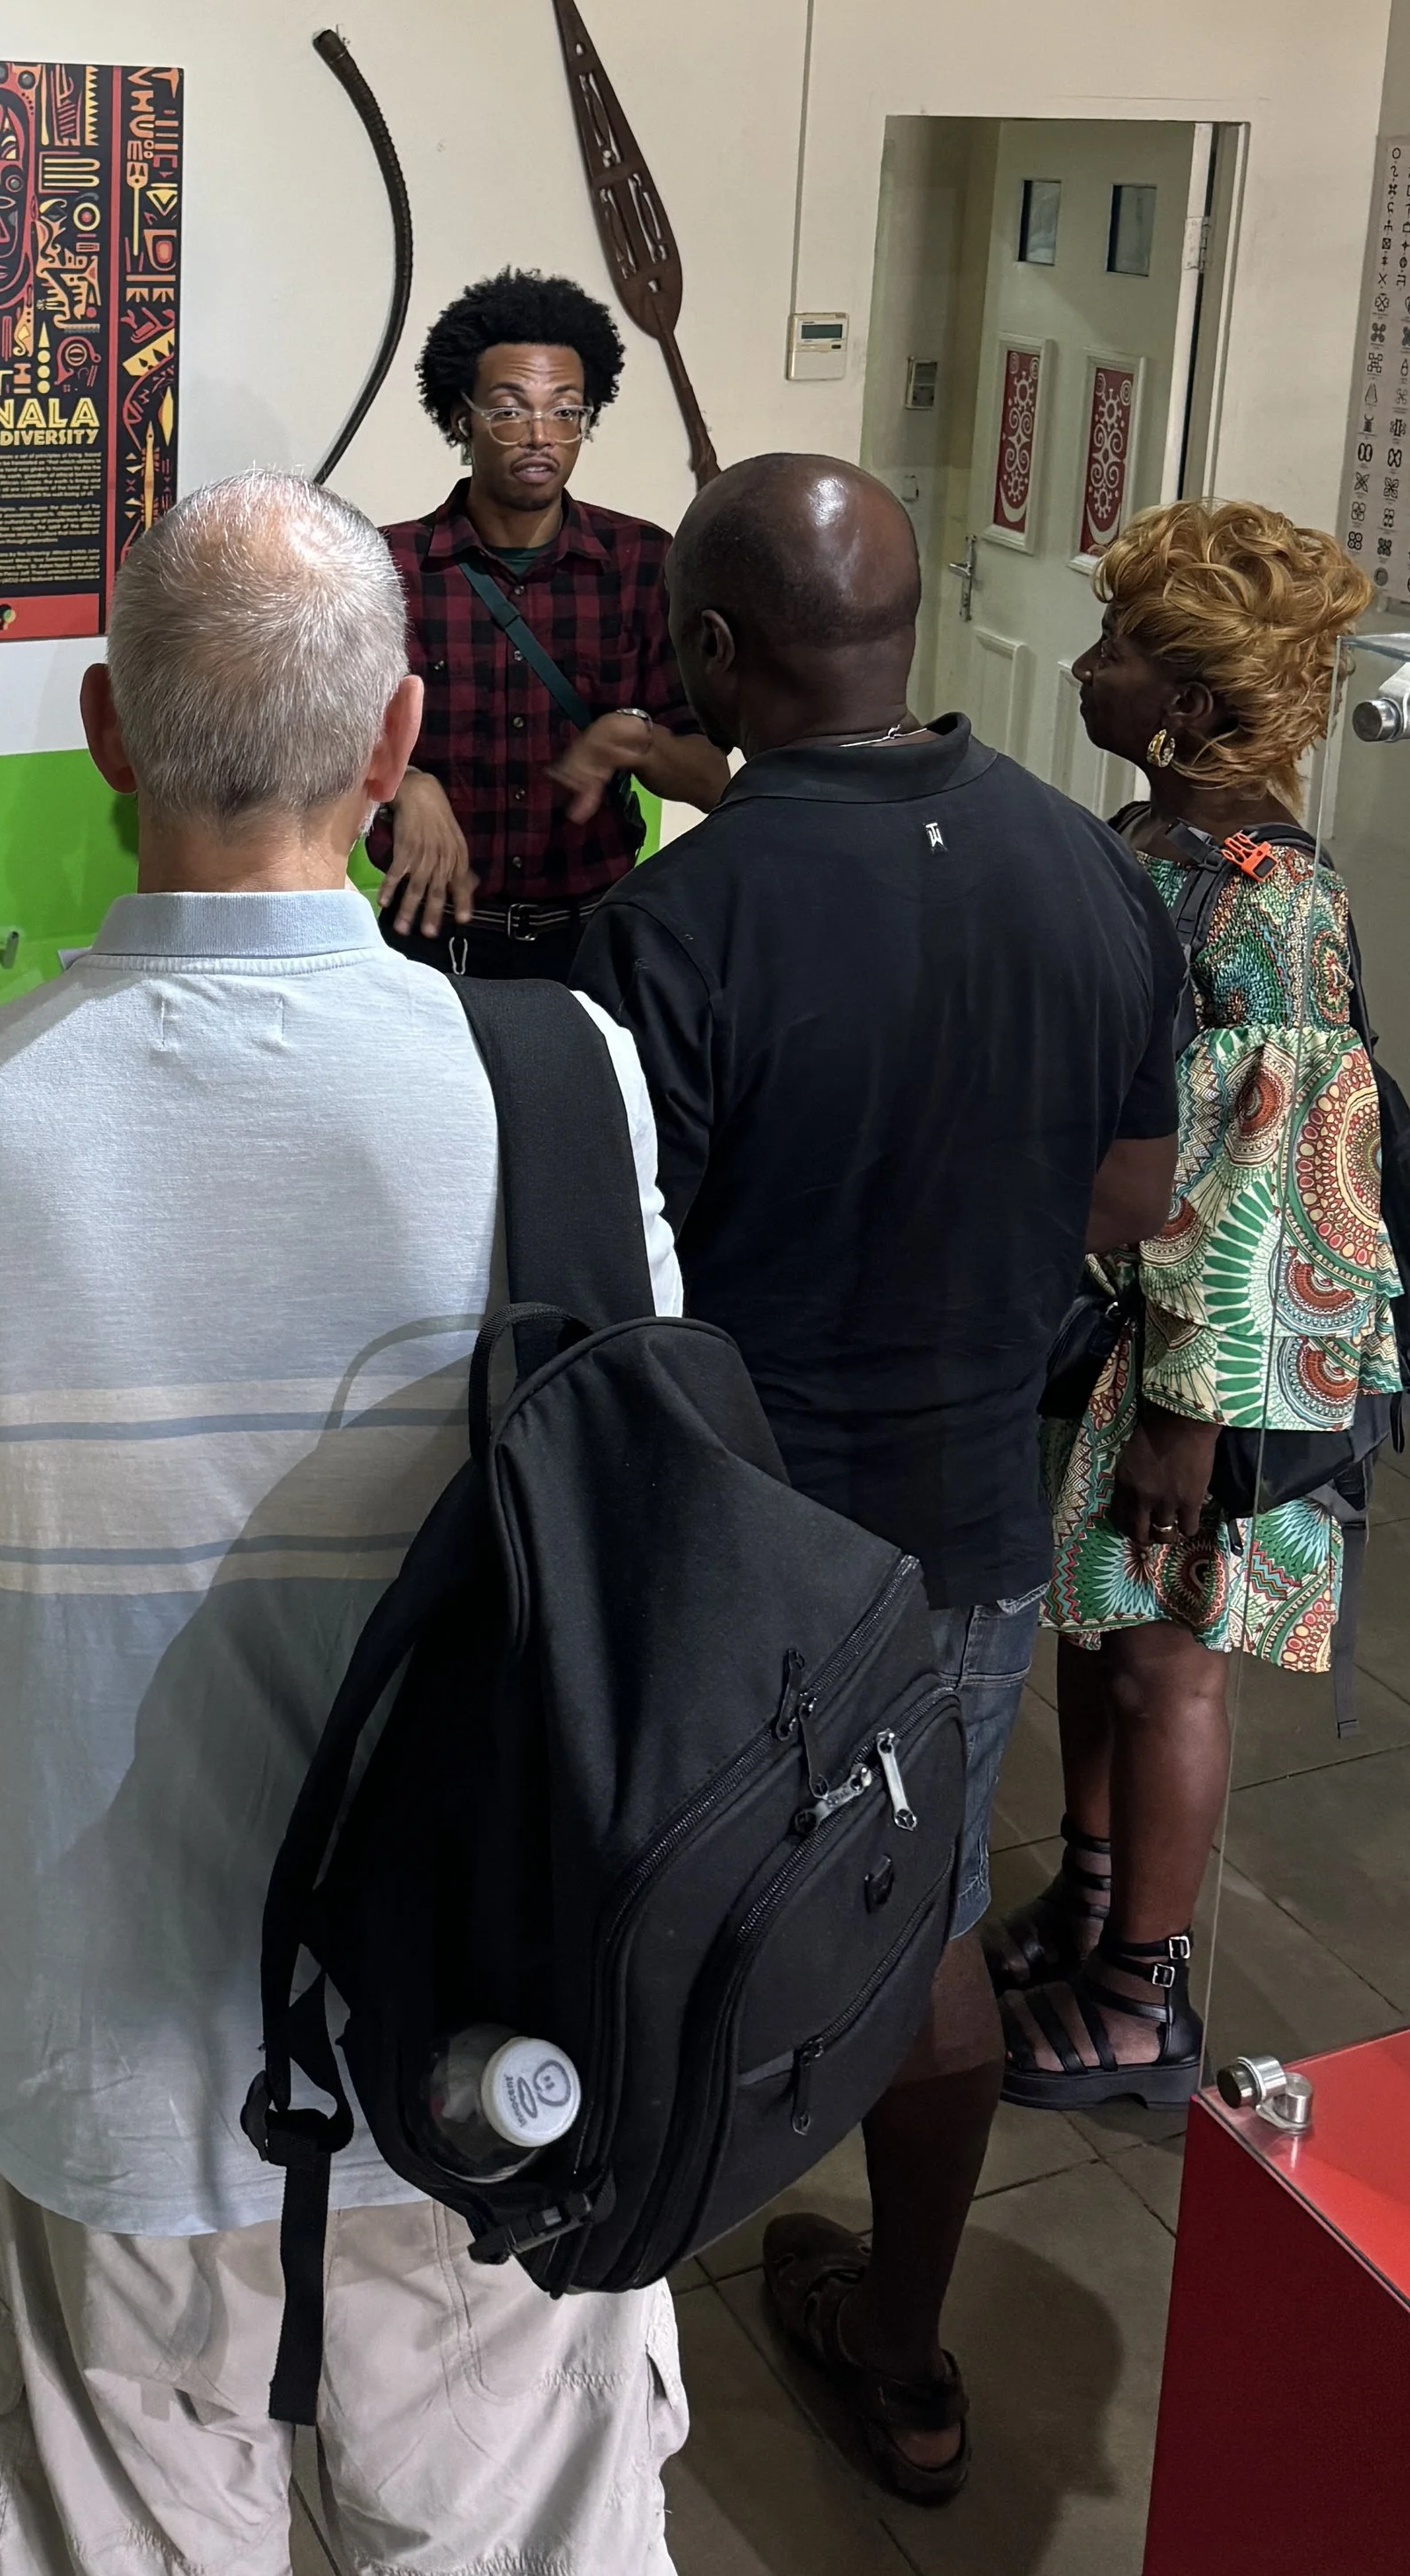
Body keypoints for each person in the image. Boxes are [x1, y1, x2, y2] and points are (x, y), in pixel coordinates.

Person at [0, 471, 688, 2575]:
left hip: (104, 2084)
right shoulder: (564, 1078)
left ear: (107, 729)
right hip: (501, 2077)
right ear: (396, 738)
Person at [572, 454, 1182, 2505]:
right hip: (969, 1532)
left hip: (739, 1540)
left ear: (714, 649)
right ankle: (907, 2354)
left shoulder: (669, 922)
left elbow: (606, 1277)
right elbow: (1138, 1182)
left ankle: (609, 2309)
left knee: (667, 1913)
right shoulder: (1089, 868)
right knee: (916, 1921)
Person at [994, 501, 1401, 2107]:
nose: (1087, 666)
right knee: (1100, 1629)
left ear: (1199, 699)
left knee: (1170, 1657)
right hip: (1121, 1335)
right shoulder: (1152, 836)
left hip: (1202, 1362)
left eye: (1119, 648)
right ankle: (1092, 1892)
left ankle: (1145, 1990)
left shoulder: (1269, 899)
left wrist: (1191, 1405)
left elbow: (1276, 1170)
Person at [369, 268, 727, 978]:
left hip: (597, 943)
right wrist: (405, 782)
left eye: (566, 411)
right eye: (508, 409)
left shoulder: (641, 561)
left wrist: (639, 742)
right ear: (457, 418)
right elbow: (318, 755)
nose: (540, 434)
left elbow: (713, 781)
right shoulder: (386, 568)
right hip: (431, 945)